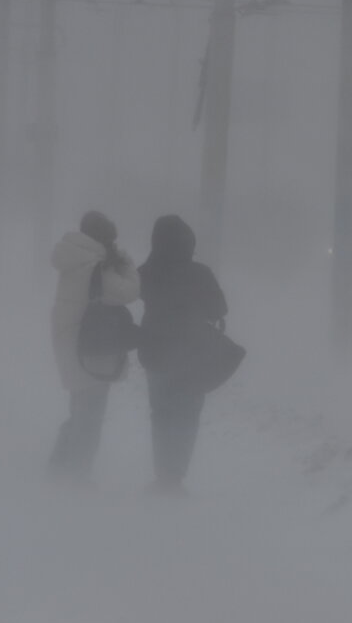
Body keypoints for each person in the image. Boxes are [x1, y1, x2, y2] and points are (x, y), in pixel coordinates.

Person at [137, 215, 227, 496]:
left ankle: (162, 475)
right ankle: (176, 476)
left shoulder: (146, 272)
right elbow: (219, 309)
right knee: (187, 416)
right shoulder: (200, 273)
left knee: (161, 414)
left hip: (155, 354)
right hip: (192, 356)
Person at [48, 211, 140, 482]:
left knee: (80, 407)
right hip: (91, 347)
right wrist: (127, 264)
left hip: (69, 339)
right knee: (91, 415)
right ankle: (77, 475)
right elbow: (128, 291)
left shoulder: (72, 257)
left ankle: (58, 464)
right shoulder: (96, 266)